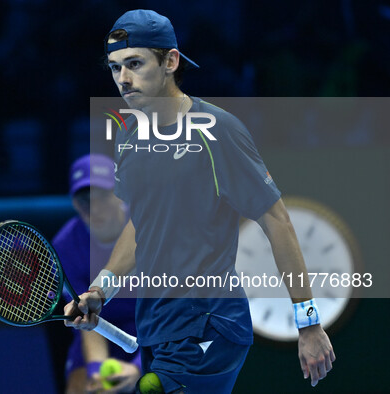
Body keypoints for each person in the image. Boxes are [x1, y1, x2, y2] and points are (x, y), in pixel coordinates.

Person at [64, 9, 335, 394]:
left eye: (135, 64)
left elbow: (277, 220)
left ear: (170, 61)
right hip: (156, 327)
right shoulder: (127, 138)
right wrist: (101, 290)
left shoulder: (218, 131)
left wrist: (308, 322)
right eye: (115, 67)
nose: (123, 79)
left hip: (210, 322)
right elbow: (141, 226)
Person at [53, 153, 140, 393]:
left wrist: (140, 368)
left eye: (101, 197)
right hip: (101, 330)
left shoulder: (152, 227)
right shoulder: (64, 246)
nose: (93, 209)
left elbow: (174, 314)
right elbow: (86, 319)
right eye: (84, 200)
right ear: (74, 204)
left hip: (155, 328)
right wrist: (97, 374)